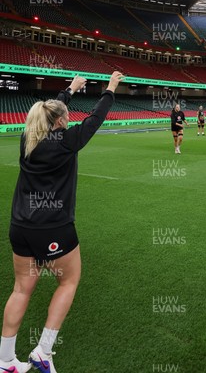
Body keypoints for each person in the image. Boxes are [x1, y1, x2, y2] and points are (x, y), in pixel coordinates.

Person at [0, 71, 123, 373]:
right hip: (53, 227)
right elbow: (95, 120)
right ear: (59, 122)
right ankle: (43, 351)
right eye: (65, 118)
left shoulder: (27, 138)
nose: (68, 121)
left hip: (21, 227)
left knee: (21, 289)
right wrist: (110, 88)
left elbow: (51, 111)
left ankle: (5, 361)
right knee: (68, 281)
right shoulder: (66, 141)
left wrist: (70, 90)